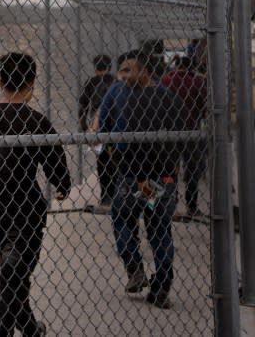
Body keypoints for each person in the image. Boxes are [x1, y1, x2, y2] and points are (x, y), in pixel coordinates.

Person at [0, 52, 70, 337]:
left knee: (14, 274)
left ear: (0, 81)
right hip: (26, 214)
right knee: (15, 276)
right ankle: (2, 332)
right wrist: (63, 186)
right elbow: (55, 163)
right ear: (32, 83)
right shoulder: (36, 121)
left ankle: (31, 329)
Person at [99, 50, 183, 309]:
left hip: (137, 178)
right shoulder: (170, 99)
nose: (124, 75)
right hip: (164, 179)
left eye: (129, 69)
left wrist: (138, 177)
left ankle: (134, 266)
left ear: (144, 71)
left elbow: (135, 143)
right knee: (159, 230)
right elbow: (180, 137)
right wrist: (169, 171)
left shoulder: (135, 100)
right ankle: (162, 285)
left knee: (122, 217)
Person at [161, 56, 208, 216]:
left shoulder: (165, 80)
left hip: (168, 132)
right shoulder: (196, 82)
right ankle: (191, 205)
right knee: (192, 170)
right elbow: (204, 105)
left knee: (169, 169)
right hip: (191, 131)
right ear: (191, 69)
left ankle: (170, 202)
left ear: (176, 66)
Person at [78, 54, 117, 207]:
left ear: (95, 67)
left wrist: (84, 126)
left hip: (99, 128)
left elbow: (82, 106)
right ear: (109, 67)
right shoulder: (115, 81)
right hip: (116, 127)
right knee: (117, 160)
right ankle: (116, 193)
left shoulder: (91, 82)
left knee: (103, 163)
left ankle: (106, 195)